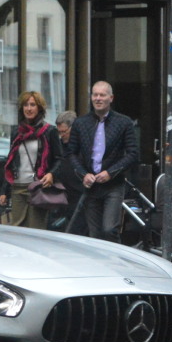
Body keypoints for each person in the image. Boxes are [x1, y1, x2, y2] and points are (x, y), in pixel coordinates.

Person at [66, 80, 139, 241]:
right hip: (91, 185)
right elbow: (71, 153)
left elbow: (133, 154)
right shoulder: (80, 123)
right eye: (95, 94)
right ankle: (98, 265)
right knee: (95, 234)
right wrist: (83, 174)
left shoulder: (123, 122)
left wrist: (110, 173)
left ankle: (117, 261)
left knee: (109, 229)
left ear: (111, 98)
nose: (98, 98)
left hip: (113, 185)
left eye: (102, 95)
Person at [0, 92, 62, 229]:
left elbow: (60, 159)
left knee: (36, 229)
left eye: (33, 105)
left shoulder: (49, 131)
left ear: (39, 108)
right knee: (17, 229)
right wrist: (4, 191)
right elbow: (10, 161)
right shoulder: (17, 132)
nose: (29, 108)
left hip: (37, 187)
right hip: (18, 187)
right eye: (26, 105)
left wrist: (51, 174)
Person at [54, 110, 87, 234]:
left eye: (64, 132)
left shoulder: (84, 144)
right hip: (64, 195)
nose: (61, 135)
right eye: (59, 132)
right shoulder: (60, 145)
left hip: (81, 194)